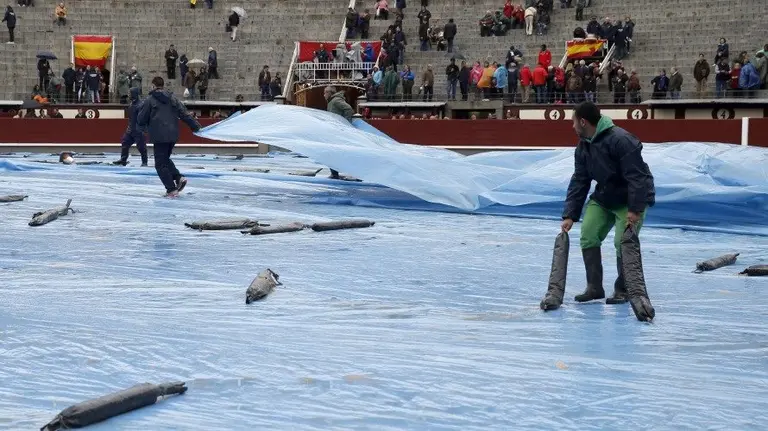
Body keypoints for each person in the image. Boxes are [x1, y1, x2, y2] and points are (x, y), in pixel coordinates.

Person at [547, 102, 655, 313]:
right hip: (605, 197)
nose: (572, 126)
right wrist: (570, 214)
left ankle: (623, 289)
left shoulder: (621, 140)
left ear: (583, 122)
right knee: (588, 233)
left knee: (621, 241)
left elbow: (637, 177)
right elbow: (580, 180)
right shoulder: (583, 145)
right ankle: (594, 288)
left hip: (630, 199)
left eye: (573, 121)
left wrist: (634, 209)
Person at [137, 77, 201, 197]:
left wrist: (141, 126)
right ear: (163, 85)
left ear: (153, 86)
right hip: (172, 135)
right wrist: (195, 127)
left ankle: (171, 189)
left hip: (159, 135)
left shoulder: (150, 100)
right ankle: (178, 177)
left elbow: (141, 119)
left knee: (160, 164)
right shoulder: (173, 98)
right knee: (165, 159)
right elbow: (184, 114)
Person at [323, 86, 354, 180]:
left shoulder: (335, 101)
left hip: (337, 131)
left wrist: (345, 124)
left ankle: (334, 174)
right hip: (334, 131)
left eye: (324, 92)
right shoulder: (331, 102)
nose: (323, 95)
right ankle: (334, 173)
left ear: (329, 93)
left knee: (332, 153)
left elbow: (348, 109)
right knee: (332, 152)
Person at [113, 87, 148, 167]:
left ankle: (144, 162)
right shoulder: (132, 103)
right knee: (125, 143)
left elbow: (143, 118)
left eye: (130, 93)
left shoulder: (141, 105)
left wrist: (142, 129)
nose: (128, 95)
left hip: (138, 130)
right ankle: (123, 160)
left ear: (134, 94)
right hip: (130, 129)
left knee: (141, 147)